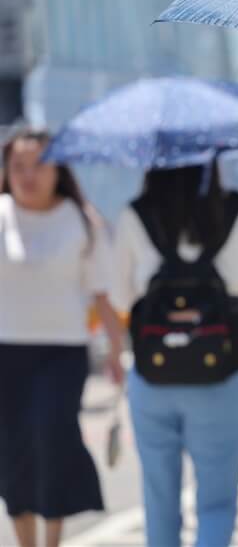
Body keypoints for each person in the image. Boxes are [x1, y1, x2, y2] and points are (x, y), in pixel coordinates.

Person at [111, 164, 238, 547]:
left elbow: (121, 298)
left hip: (152, 374)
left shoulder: (134, 214)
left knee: (159, 502)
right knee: (217, 503)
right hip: (223, 373)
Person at [0, 129, 123, 547]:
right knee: (13, 448)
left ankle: (52, 540)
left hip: (63, 351)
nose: (27, 175)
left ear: (58, 169)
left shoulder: (82, 221)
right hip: (6, 351)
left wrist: (117, 353)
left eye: (38, 165)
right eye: (17, 166)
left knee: (53, 438)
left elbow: (102, 294)